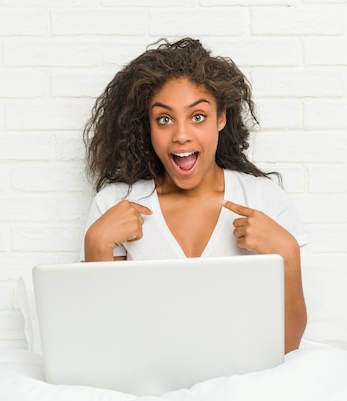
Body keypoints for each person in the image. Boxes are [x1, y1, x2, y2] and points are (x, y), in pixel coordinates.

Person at [81, 38, 309, 353]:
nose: (181, 134)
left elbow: (287, 348)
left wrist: (287, 253)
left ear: (221, 118)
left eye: (197, 117)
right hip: (149, 379)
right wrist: (96, 246)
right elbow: (104, 345)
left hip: (242, 379)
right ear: (148, 126)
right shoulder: (114, 205)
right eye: (164, 119)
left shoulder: (263, 200)